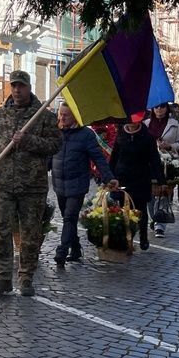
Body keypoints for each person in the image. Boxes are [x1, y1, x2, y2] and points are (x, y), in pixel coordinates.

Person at [0, 70, 61, 296]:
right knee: (1, 232)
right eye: (14, 86)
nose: (17, 90)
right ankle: (2, 277)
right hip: (3, 184)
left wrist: (29, 141)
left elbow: (56, 145)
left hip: (32, 185)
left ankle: (26, 277)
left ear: (29, 87)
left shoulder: (43, 116)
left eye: (21, 86)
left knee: (30, 233)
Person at [50, 104, 117, 266]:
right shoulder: (55, 133)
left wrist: (109, 177)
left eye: (66, 114)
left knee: (70, 217)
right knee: (67, 217)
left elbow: (98, 158)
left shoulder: (86, 134)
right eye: (60, 114)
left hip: (78, 183)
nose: (62, 118)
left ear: (75, 116)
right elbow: (48, 156)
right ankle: (76, 248)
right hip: (59, 183)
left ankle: (62, 250)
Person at [109, 119, 165, 251]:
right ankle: (125, 239)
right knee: (122, 210)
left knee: (140, 210)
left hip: (141, 178)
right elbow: (114, 157)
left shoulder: (148, 137)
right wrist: (109, 177)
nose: (131, 122)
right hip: (122, 178)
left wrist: (160, 180)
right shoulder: (120, 135)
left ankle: (143, 236)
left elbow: (154, 160)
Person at [144, 102, 179, 237]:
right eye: (157, 107)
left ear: (166, 109)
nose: (159, 109)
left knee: (164, 191)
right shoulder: (146, 123)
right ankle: (154, 217)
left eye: (162, 107)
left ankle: (160, 225)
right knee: (150, 193)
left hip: (167, 162)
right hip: (149, 162)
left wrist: (169, 146)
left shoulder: (173, 124)